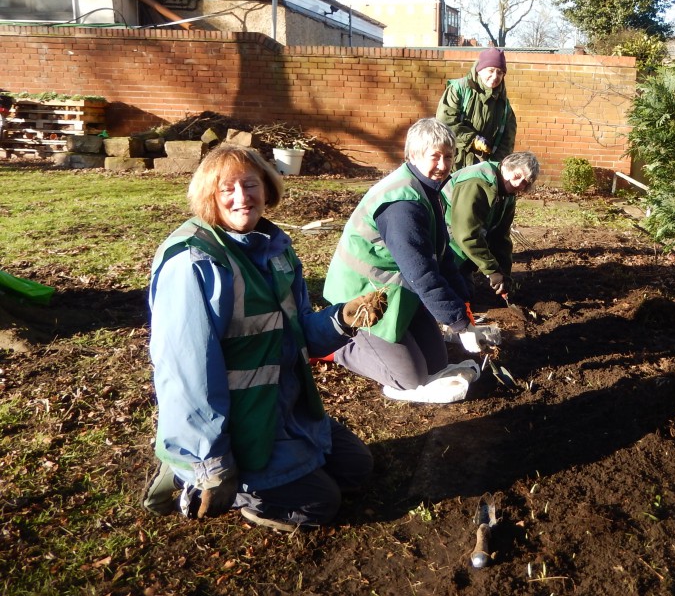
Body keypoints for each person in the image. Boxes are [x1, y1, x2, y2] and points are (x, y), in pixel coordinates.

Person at [143, 144, 387, 533]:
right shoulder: (194, 263)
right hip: (238, 426)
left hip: (283, 407)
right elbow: (186, 376)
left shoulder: (275, 249)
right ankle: (195, 476)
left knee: (357, 468)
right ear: (209, 196)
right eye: (227, 189)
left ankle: (271, 471)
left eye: (250, 184)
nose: (242, 197)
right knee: (321, 505)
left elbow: (298, 333)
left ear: (267, 188)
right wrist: (210, 462)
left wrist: (341, 319)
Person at [322, 118, 482, 404]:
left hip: (396, 288)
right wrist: (456, 321)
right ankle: (338, 347)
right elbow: (422, 273)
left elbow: (441, 255)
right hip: (363, 294)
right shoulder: (402, 204)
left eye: (448, 156)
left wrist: (464, 308)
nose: (443, 165)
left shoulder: (429, 189)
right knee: (409, 379)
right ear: (413, 155)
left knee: (436, 364)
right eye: (435, 156)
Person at [442, 151, 540, 301]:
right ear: (506, 166)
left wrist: (504, 275)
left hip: (462, 241)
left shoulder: (507, 194)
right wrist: (492, 270)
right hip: (442, 241)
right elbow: (466, 233)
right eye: (517, 176)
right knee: (457, 297)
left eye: (525, 183)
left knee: (467, 294)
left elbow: (500, 236)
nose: (518, 184)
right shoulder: (477, 182)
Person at [436, 48, 517, 169]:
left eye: (500, 72)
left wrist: (493, 166)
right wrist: (472, 140)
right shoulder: (458, 90)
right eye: (491, 70)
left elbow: (507, 140)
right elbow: (445, 122)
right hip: (452, 165)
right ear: (480, 70)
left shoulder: (503, 104)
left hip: (483, 169)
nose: (495, 76)